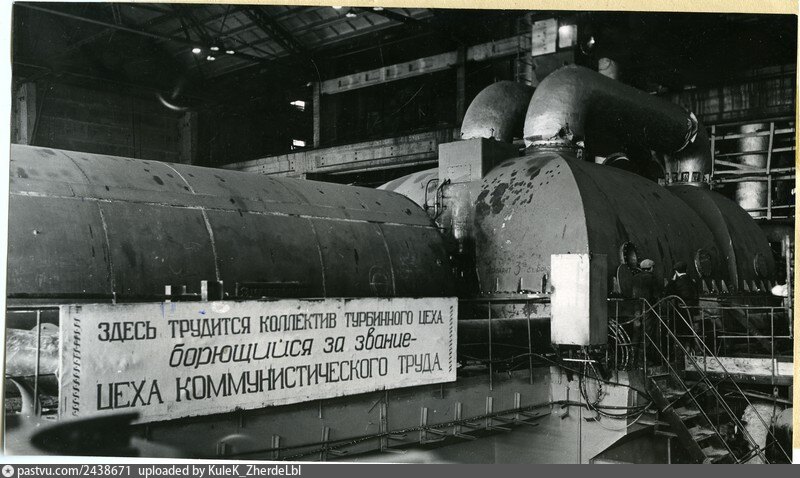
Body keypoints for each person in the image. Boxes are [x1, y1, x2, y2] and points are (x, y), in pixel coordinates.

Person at [665, 261, 701, 354]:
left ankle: (682, 353)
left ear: (676, 271)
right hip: (693, 311)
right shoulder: (692, 281)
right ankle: (694, 350)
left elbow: (667, 293)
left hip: (681, 313)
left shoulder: (676, 283)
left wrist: (672, 281)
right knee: (691, 332)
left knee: (678, 332)